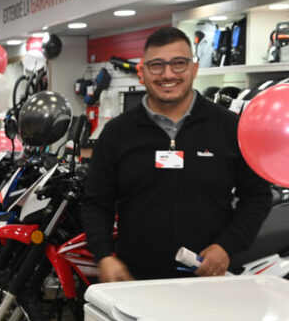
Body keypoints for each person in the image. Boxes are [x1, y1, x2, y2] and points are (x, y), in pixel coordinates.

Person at [82, 26, 272, 281]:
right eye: (156, 65)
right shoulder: (117, 133)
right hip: (135, 281)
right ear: (142, 72)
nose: (168, 74)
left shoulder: (230, 128)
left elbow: (257, 196)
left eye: (179, 64)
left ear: (194, 68)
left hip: (208, 279)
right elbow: (96, 202)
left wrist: (226, 246)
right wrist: (103, 255)